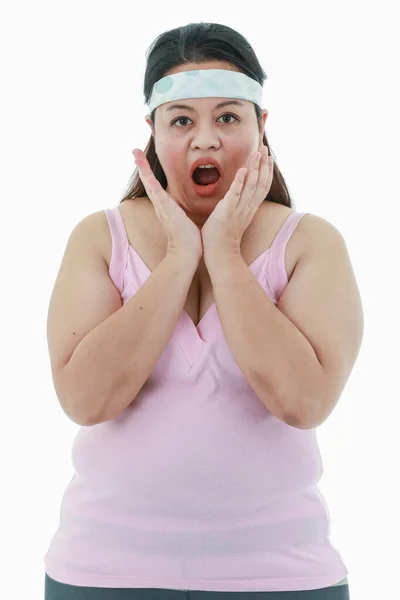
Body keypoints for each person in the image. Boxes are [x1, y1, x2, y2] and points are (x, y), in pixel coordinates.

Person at [44, 21, 363, 600]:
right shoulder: (99, 237)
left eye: (228, 117)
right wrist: (176, 261)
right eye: (183, 120)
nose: (206, 140)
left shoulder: (312, 244)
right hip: (103, 575)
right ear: (154, 131)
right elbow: (85, 401)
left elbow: (303, 401)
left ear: (262, 126)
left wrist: (224, 255)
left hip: (283, 578)